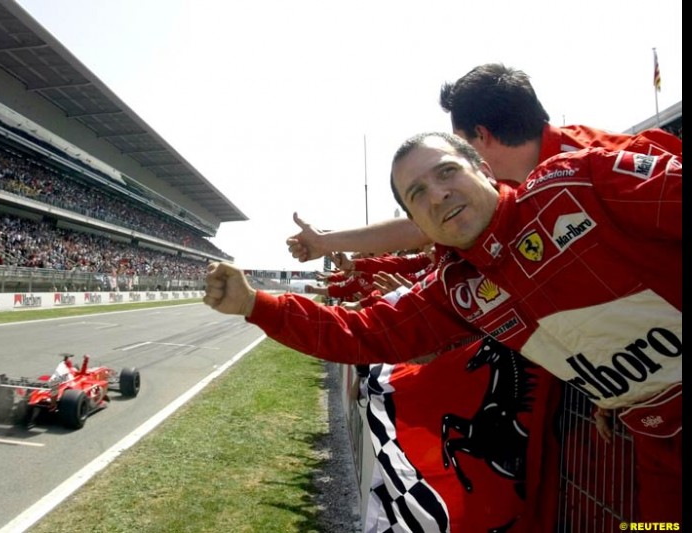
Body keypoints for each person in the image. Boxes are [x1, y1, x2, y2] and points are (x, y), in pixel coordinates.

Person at [205, 132, 681, 524]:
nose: (438, 194)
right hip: (657, 443)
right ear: (417, 222)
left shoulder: (577, 182)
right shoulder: (457, 289)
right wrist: (255, 304)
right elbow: (360, 333)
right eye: (417, 195)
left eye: (447, 172)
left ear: (485, 172)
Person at [286, 63, 682, 263]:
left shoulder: (619, 163)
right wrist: (327, 241)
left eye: (457, 147)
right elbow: (418, 227)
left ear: (481, 136)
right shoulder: (511, 186)